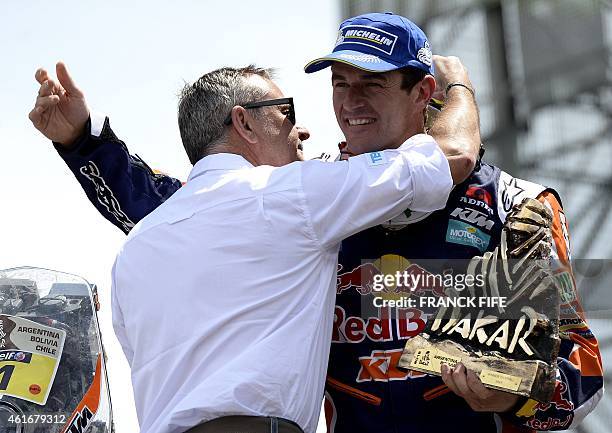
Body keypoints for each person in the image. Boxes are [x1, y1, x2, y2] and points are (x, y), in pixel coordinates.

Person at [29, 12, 602, 433]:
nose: (350, 102)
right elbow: (181, 214)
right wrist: (84, 142)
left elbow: (579, 366)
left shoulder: (511, 204)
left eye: (371, 83)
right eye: (338, 84)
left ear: (423, 90)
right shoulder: (309, 196)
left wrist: (512, 388)